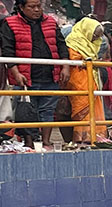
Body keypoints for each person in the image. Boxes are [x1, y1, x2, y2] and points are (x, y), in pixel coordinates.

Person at [1, 0, 70, 145]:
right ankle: (29, 143)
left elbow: (61, 45)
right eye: (32, 7)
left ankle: (46, 142)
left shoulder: (50, 22)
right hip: (26, 77)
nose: (37, 10)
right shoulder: (10, 23)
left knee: (48, 110)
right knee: (26, 111)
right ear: (21, 7)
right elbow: (8, 51)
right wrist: (16, 73)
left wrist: (65, 66)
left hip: (50, 75)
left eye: (39, 6)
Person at [62, 16, 104, 143]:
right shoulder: (73, 39)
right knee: (82, 107)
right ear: (87, 30)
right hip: (77, 78)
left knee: (93, 106)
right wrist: (86, 61)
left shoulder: (92, 43)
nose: (96, 39)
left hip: (90, 78)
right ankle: (81, 137)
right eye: (94, 35)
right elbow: (72, 57)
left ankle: (94, 137)